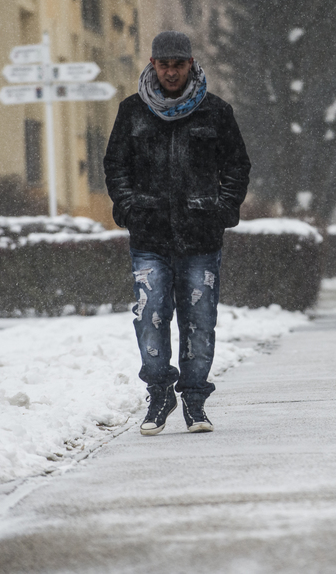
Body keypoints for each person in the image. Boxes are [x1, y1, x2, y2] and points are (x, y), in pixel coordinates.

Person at [104, 31, 251, 436]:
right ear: (152, 64)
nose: (171, 71)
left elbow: (237, 165)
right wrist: (130, 207)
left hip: (201, 238)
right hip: (149, 238)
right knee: (149, 318)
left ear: (190, 64)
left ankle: (194, 400)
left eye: (178, 64)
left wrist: (222, 210)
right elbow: (116, 166)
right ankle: (158, 393)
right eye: (164, 64)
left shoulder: (216, 112)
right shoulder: (132, 112)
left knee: (199, 323)